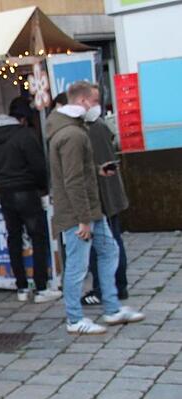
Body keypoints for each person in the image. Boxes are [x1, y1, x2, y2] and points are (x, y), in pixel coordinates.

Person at [47, 81, 144, 335]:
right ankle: (75, 318)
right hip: (79, 213)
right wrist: (82, 219)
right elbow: (72, 180)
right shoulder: (72, 134)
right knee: (78, 267)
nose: (98, 105)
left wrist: (98, 171)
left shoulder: (73, 129)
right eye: (95, 100)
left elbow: (77, 172)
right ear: (83, 102)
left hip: (90, 210)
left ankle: (112, 308)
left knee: (109, 250)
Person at [0, 98, 62, 304]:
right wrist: (42, 186)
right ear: (22, 118)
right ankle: (41, 286)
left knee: (14, 239)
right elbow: (38, 166)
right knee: (38, 238)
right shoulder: (25, 135)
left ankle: (21, 286)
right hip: (27, 192)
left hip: (5, 194)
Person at [85, 114, 130, 305]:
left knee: (105, 245)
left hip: (103, 198)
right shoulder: (101, 126)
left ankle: (108, 288)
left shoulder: (89, 130)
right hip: (110, 195)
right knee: (113, 241)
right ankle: (118, 286)